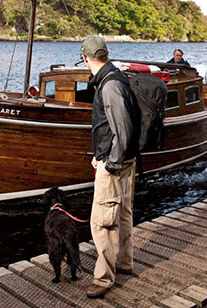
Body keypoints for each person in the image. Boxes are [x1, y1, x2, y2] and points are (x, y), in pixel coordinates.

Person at [79, 35, 139, 299]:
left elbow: (122, 129)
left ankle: (103, 278)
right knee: (123, 213)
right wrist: (100, 153)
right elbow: (112, 127)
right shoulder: (116, 77)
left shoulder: (109, 85)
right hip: (126, 159)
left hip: (116, 163)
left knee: (102, 222)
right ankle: (124, 262)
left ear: (85, 58)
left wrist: (109, 162)